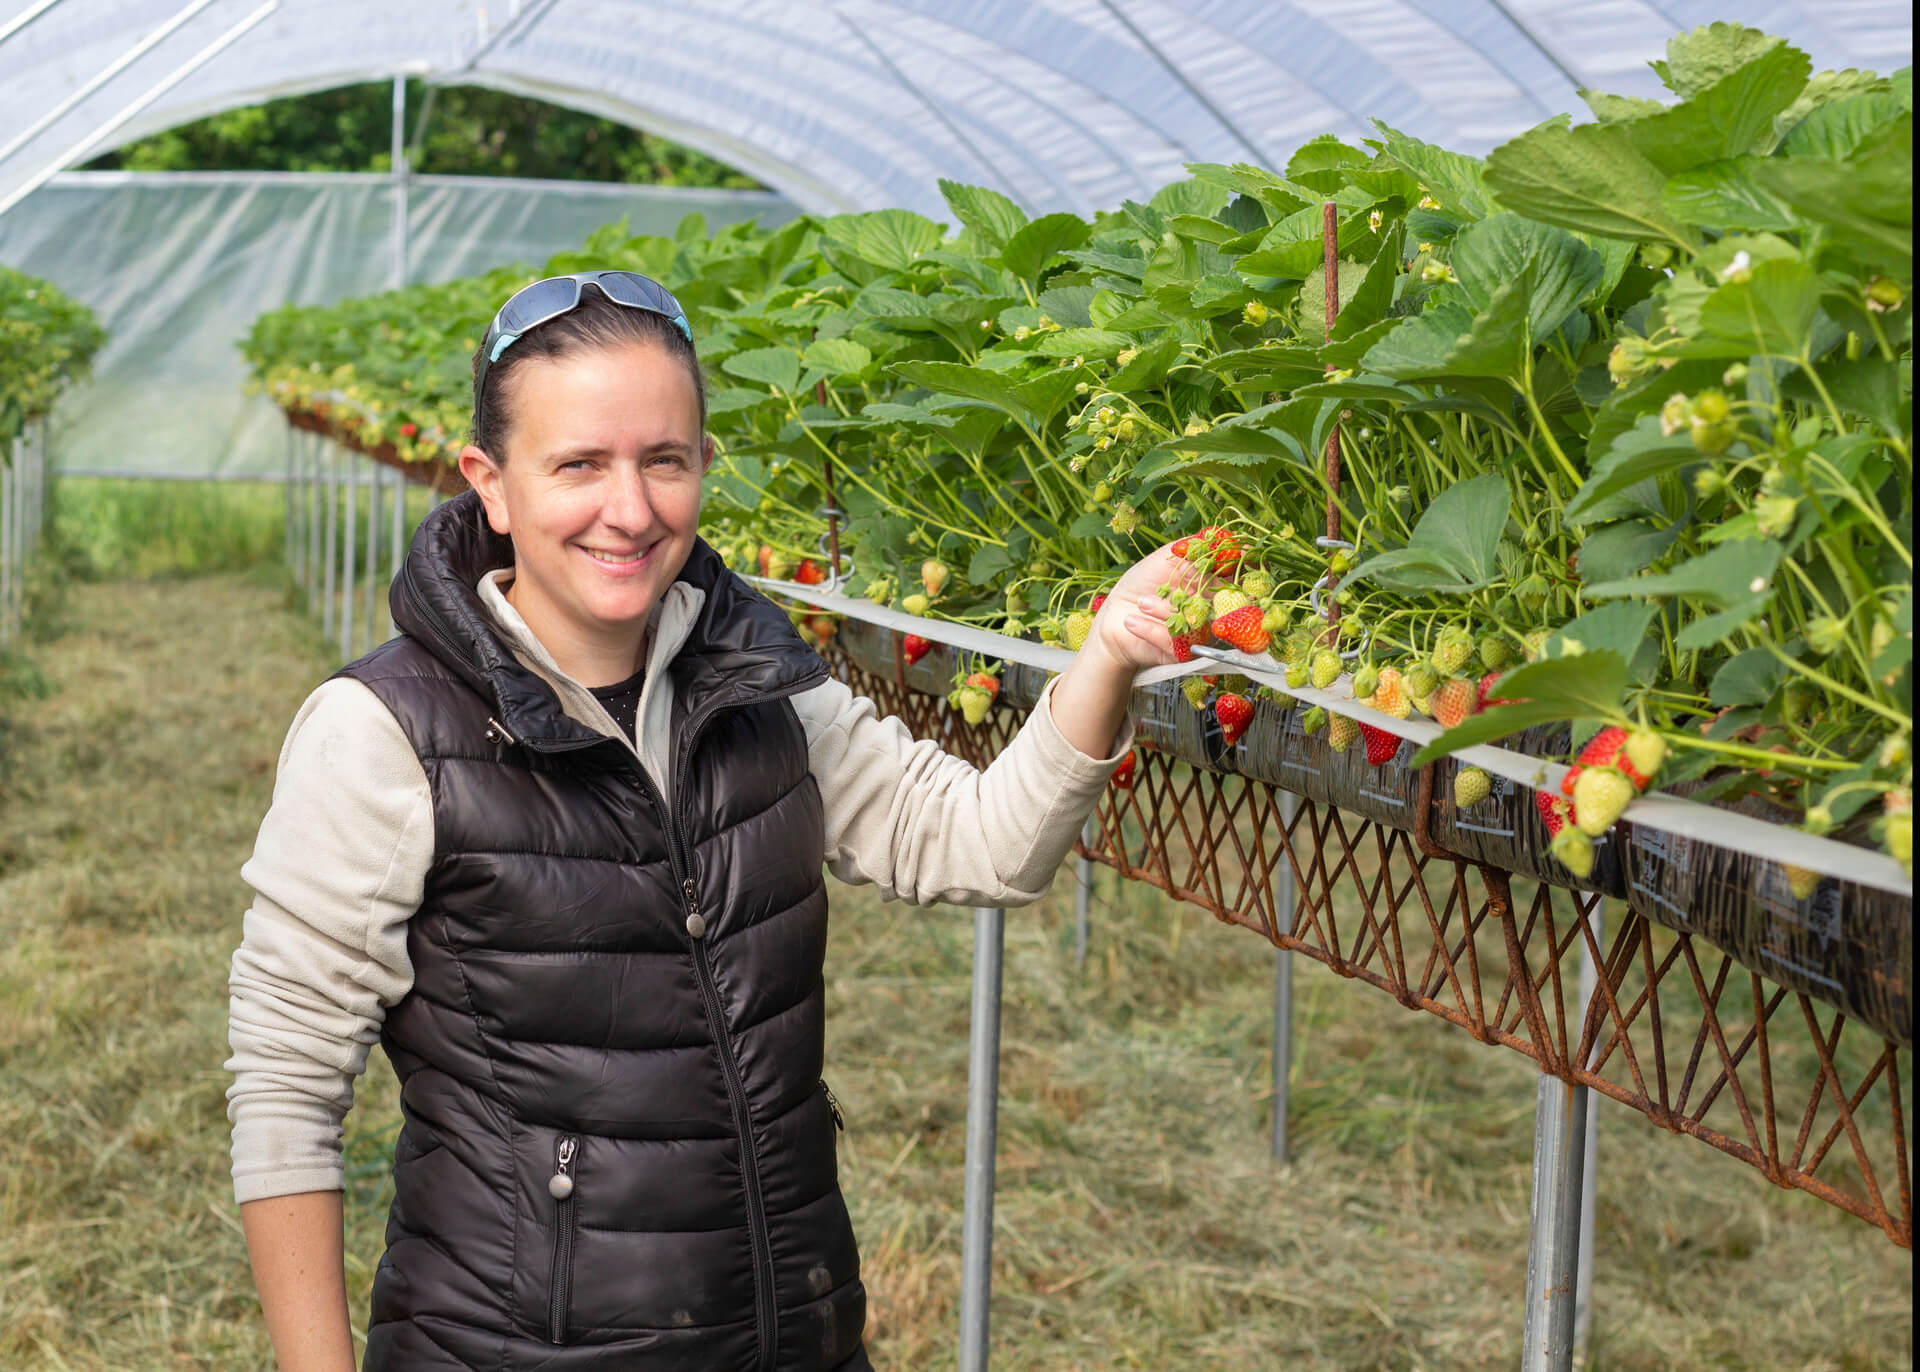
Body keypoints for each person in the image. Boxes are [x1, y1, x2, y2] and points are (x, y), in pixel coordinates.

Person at [226, 270, 1194, 1371]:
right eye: (579, 464)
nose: (629, 510)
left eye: (664, 460)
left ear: (703, 467)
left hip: (790, 1334)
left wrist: (1107, 654)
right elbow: (287, 1086)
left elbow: (971, 840)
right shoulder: (386, 732)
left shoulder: (759, 684)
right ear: (490, 484)